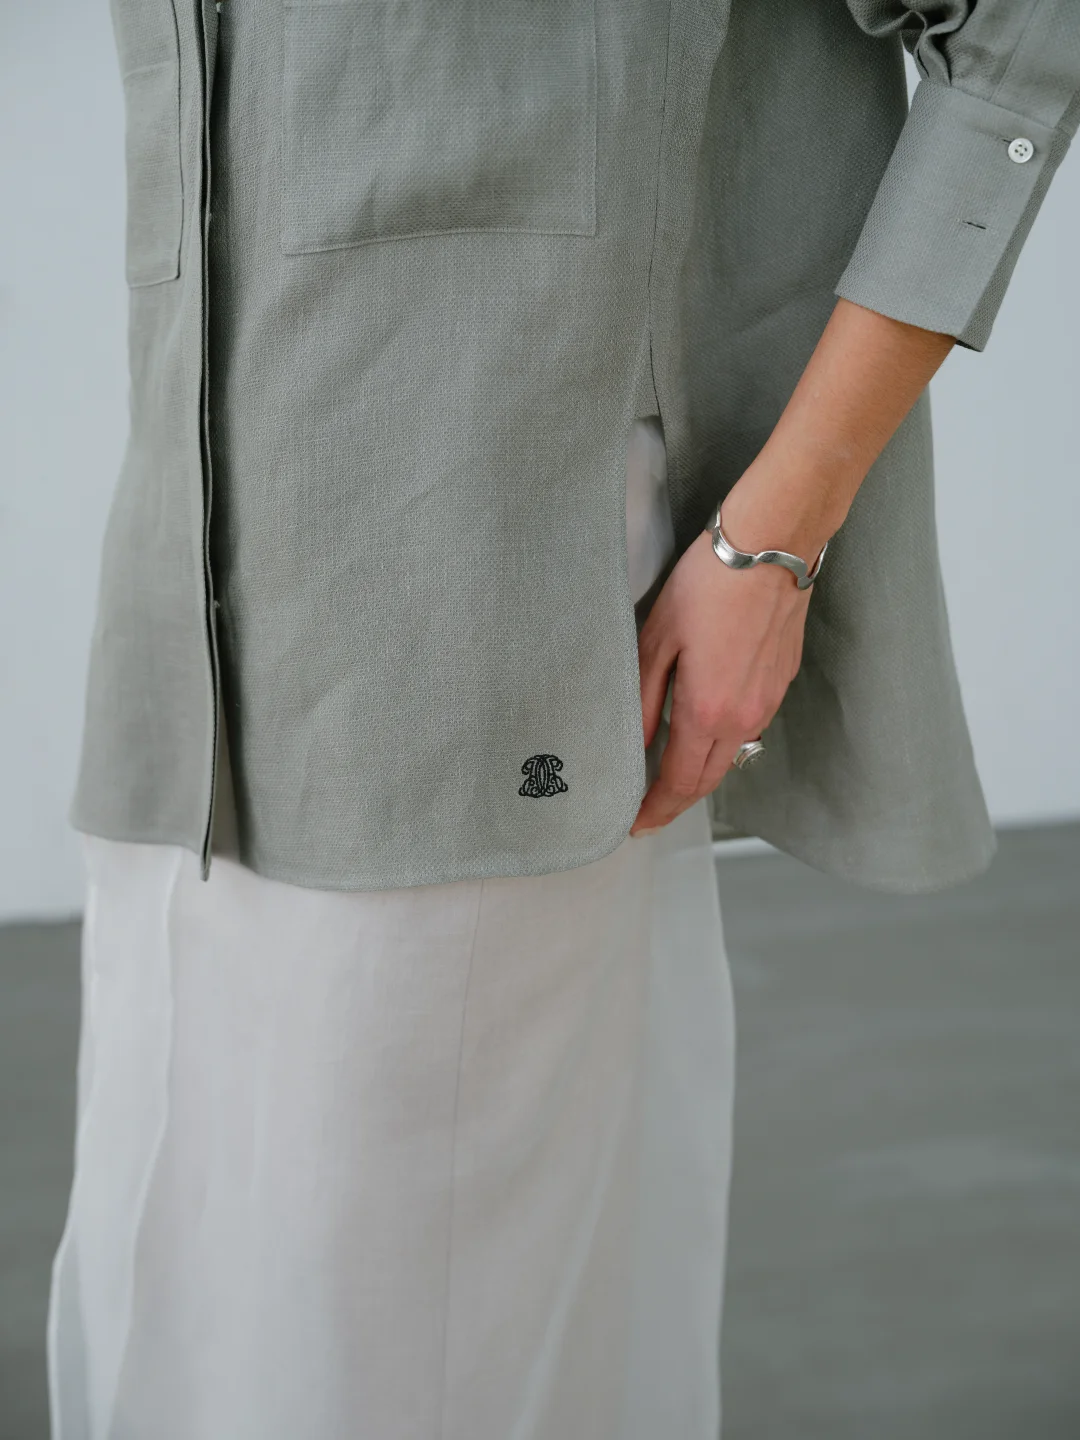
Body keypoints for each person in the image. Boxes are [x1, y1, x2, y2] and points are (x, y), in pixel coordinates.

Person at [47, 2, 1079, 1437]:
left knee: (421, 1329)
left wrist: (777, 541)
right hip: (192, 629)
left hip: (485, 622)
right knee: (186, 1301)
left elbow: (1022, 35)